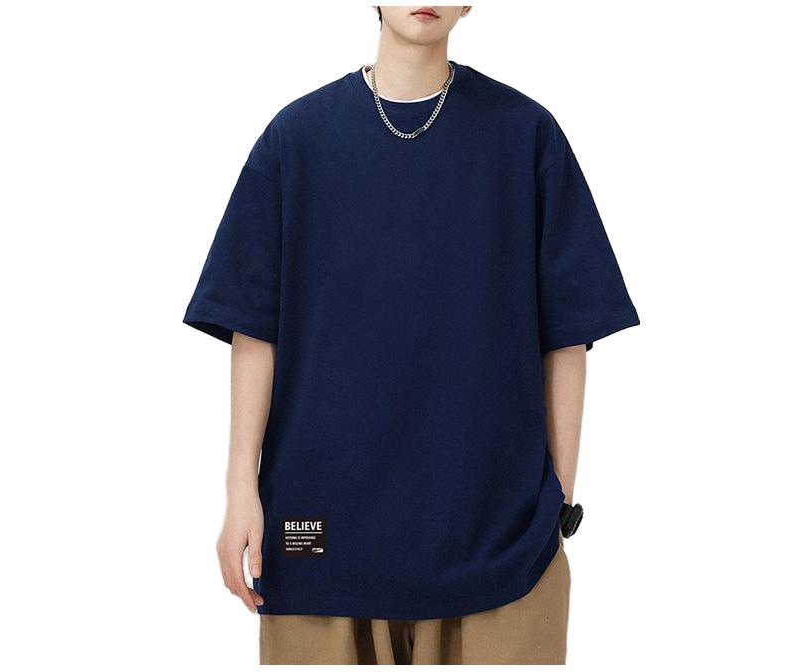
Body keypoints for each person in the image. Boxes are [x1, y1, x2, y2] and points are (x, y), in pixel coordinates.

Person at [183, 5, 638, 665]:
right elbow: (254, 327)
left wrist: (557, 502)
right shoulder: (297, 139)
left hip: (498, 549)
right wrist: (239, 490)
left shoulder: (525, 135)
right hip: (320, 538)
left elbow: (567, 332)